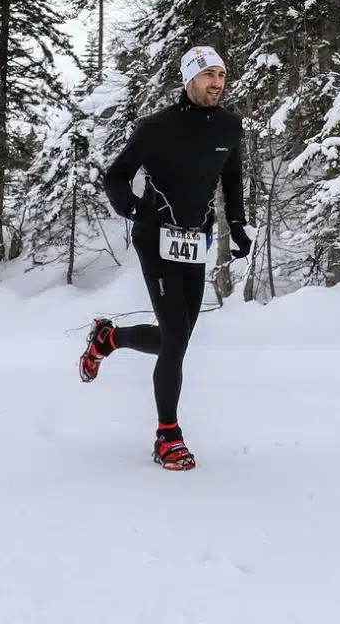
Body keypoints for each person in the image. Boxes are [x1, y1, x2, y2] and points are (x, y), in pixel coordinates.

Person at [80, 45, 250, 471]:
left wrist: (238, 223)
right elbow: (117, 174)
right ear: (189, 79)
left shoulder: (229, 127)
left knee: (177, 338)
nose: (217, 83)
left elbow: (231, 177)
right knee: (175, 335)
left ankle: (109, 338)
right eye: (209, 75)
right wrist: (133, 208)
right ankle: (167, 435)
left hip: (195, 240)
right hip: (154, 237)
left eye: (222, 75)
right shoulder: (157, 127)